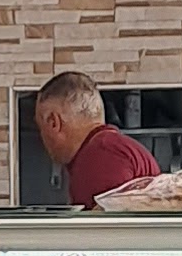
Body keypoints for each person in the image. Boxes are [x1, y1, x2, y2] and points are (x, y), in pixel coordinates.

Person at [31, 69, 157, 209]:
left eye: (40, 127)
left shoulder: (100, 156)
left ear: (54, 122)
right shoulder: (116, 147)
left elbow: (108, 223)